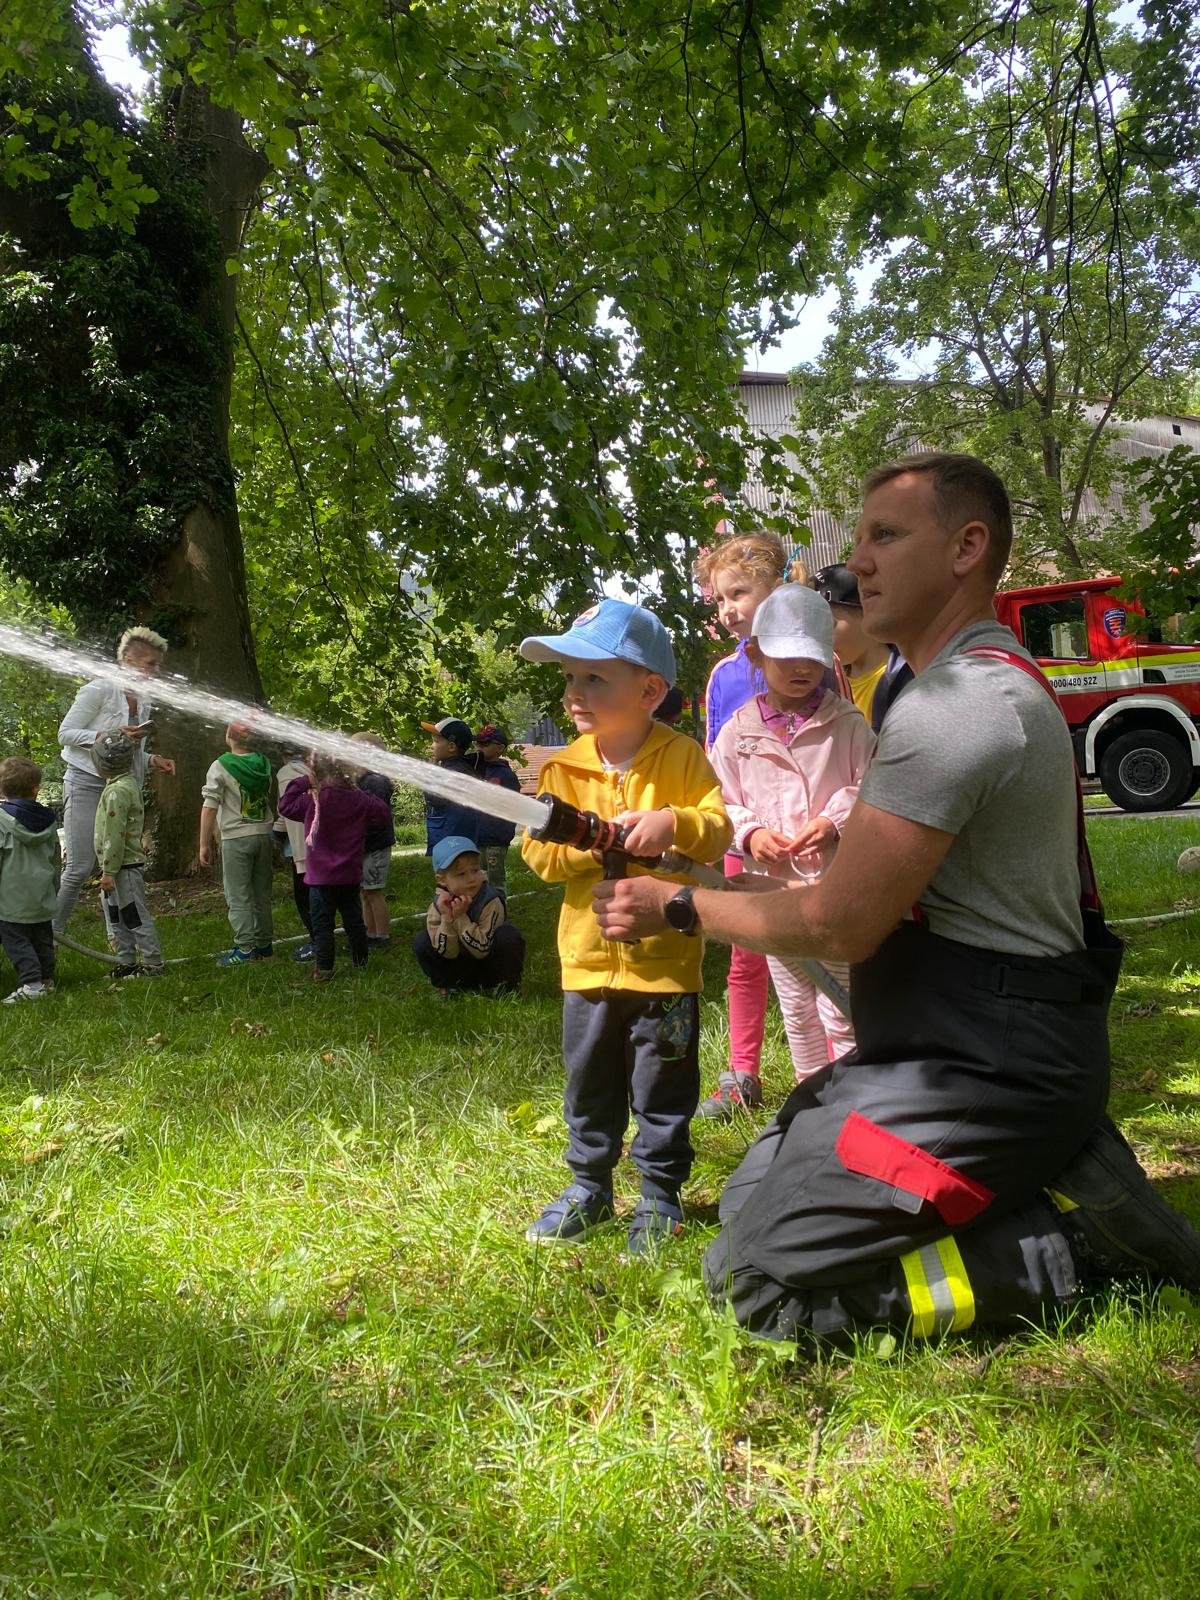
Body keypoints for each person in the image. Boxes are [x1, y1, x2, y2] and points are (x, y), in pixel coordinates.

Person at [594, 452, 1200, 1345]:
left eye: (884, 535)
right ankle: (1045, 1173)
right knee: (751, 1199)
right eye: (859, 537)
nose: (858, 563)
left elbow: (838, 920)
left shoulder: (960, 703)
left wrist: (676, 904)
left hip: (993, 1065)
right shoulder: (941, 687)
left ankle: (1070, 1245)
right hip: (937, 1046)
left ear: (967, 548)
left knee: (756, 1281)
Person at [519, 598, 733, 1255]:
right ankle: (589, 1188)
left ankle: (660, 1196)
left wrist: (674, 823)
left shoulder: (682, 758)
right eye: (569, 677)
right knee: (590, 1084)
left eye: (594, 677)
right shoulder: (561, 769)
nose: (574, 692)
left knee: (664, 1087)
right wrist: (589, 844)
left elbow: (717, 829)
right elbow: (538, 857)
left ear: (649, 691)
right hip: (587, 966)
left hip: (665, 969)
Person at [708, 584, 874, 1089]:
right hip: (771, 893)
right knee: (797, 1003)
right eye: (786, 656)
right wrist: (749, 833)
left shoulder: (847, 724)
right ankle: (812, 1092)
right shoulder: (738, 732)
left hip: (833, 889)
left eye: (812, 657)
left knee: (842, 1001)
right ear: (756, 655)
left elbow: (873, 786)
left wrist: (834, 820)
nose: (801, 668)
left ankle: (851, 1092)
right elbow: (717, 801)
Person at [692, 531, 788, 1123]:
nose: (727, 609)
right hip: (743, 834)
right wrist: (732, 831)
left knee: (821, 950)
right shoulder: (724, 675)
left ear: (774, 589)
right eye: (719, 599)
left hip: (806, 834)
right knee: (745, 955)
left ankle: (836, 1066)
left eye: (739, 593)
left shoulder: (815, 660)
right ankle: (742, 1071)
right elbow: (716, 767)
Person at [53, 626, 175, 938]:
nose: (156, 671)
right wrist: (107, 734)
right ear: (128, 661)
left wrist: (152, 760)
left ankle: (117, 937)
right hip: (84, 782)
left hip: (119, 787)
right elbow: (65, 734)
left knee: (117, 864)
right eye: (150, 664)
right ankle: (51, 935)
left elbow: (129, 748)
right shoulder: (98, 690)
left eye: (158, 665)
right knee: (80, 867)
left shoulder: (144, 699)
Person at [278, 753, 392, 982]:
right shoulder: (358, 799)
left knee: (322, 925)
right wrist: (360, 795)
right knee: (354, 922)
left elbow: (285, 806)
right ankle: (361, 961)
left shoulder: (314, 800)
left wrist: (303, 782)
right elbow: (382, 814)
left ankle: (324, 969)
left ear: (317, 772)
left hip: (320, 879)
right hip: (349, 875)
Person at [199, 722, 275, 967]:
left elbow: (209, 807)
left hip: (235, 838)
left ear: (229, 736)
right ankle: (264, 945)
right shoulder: (264, 764)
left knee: (238, 895)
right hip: (263, 835)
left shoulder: (221, 765)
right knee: (261, 893)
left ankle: (244, 948)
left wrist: (204, 844)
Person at [412, 835, 525, 996]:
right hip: (458, 967)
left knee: (509, 936)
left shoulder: (490, 900)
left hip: (489, 965)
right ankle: (450, 986)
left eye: (475, 870)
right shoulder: (438, 906)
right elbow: (448, 952)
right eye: (461, 874)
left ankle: (506, 985)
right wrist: (447, 919)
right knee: (422, 941)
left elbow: (482, 949)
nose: (471, 878)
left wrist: (461, 918)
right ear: (442, 880)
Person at [92, 728, 164, 978]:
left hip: (123, 867)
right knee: (116, 916)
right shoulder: (121, 785)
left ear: (102, 763)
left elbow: (115, 834)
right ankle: (126, 961)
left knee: (134, 915)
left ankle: (153, 963)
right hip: (114, 868)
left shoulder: (117, 791)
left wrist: (109, 872)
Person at [811, 564, 913, 732]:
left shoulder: (900, 683)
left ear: (868, 614)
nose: (820, 635)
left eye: (828, 623)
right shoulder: (829, 678)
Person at [0, 756, 59, 1003]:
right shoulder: (49, 820)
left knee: (17, 942)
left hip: (11, 899)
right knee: (42, 938)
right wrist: (55, 887)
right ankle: (46, 979)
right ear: (36, 789)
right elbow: (55, 858)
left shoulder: (2, 820)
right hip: (42, 894)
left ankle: (32, 984)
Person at [350, 732, 396, 950]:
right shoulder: (363, 781)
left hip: (375, 846)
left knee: (374, 891)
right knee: (365, 892)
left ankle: (382, 936)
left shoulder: (375, 782)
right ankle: (369, 934)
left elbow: (377, 816)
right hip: (365, 846)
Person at [468, 724, 522, 895]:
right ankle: (481, 908)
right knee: (477, 880)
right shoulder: (474, 770)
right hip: (475, 838)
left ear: (499, 748)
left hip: (495, 840)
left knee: (495, 880)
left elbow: (513, 806)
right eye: (477, 743)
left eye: (485, 744)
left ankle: (499, 909)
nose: (479, 747)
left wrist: (503, 833)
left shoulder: (506, 776)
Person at [273, 748, 315, 961]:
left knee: (304, 896)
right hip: (323, 842)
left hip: (300, 843)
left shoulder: (286, 772)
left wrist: (276, 832)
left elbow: (285, 808)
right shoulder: (317, 769)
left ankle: (316, 941)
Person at [420, 717, 480, 857]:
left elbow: (435, 798)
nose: (432, 746)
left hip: (452, 842)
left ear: (451, 747)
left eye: (436, 741)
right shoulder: (461, 768)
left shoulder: (452, 773)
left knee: (452, 870)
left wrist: (429, 775)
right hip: (457, 839)